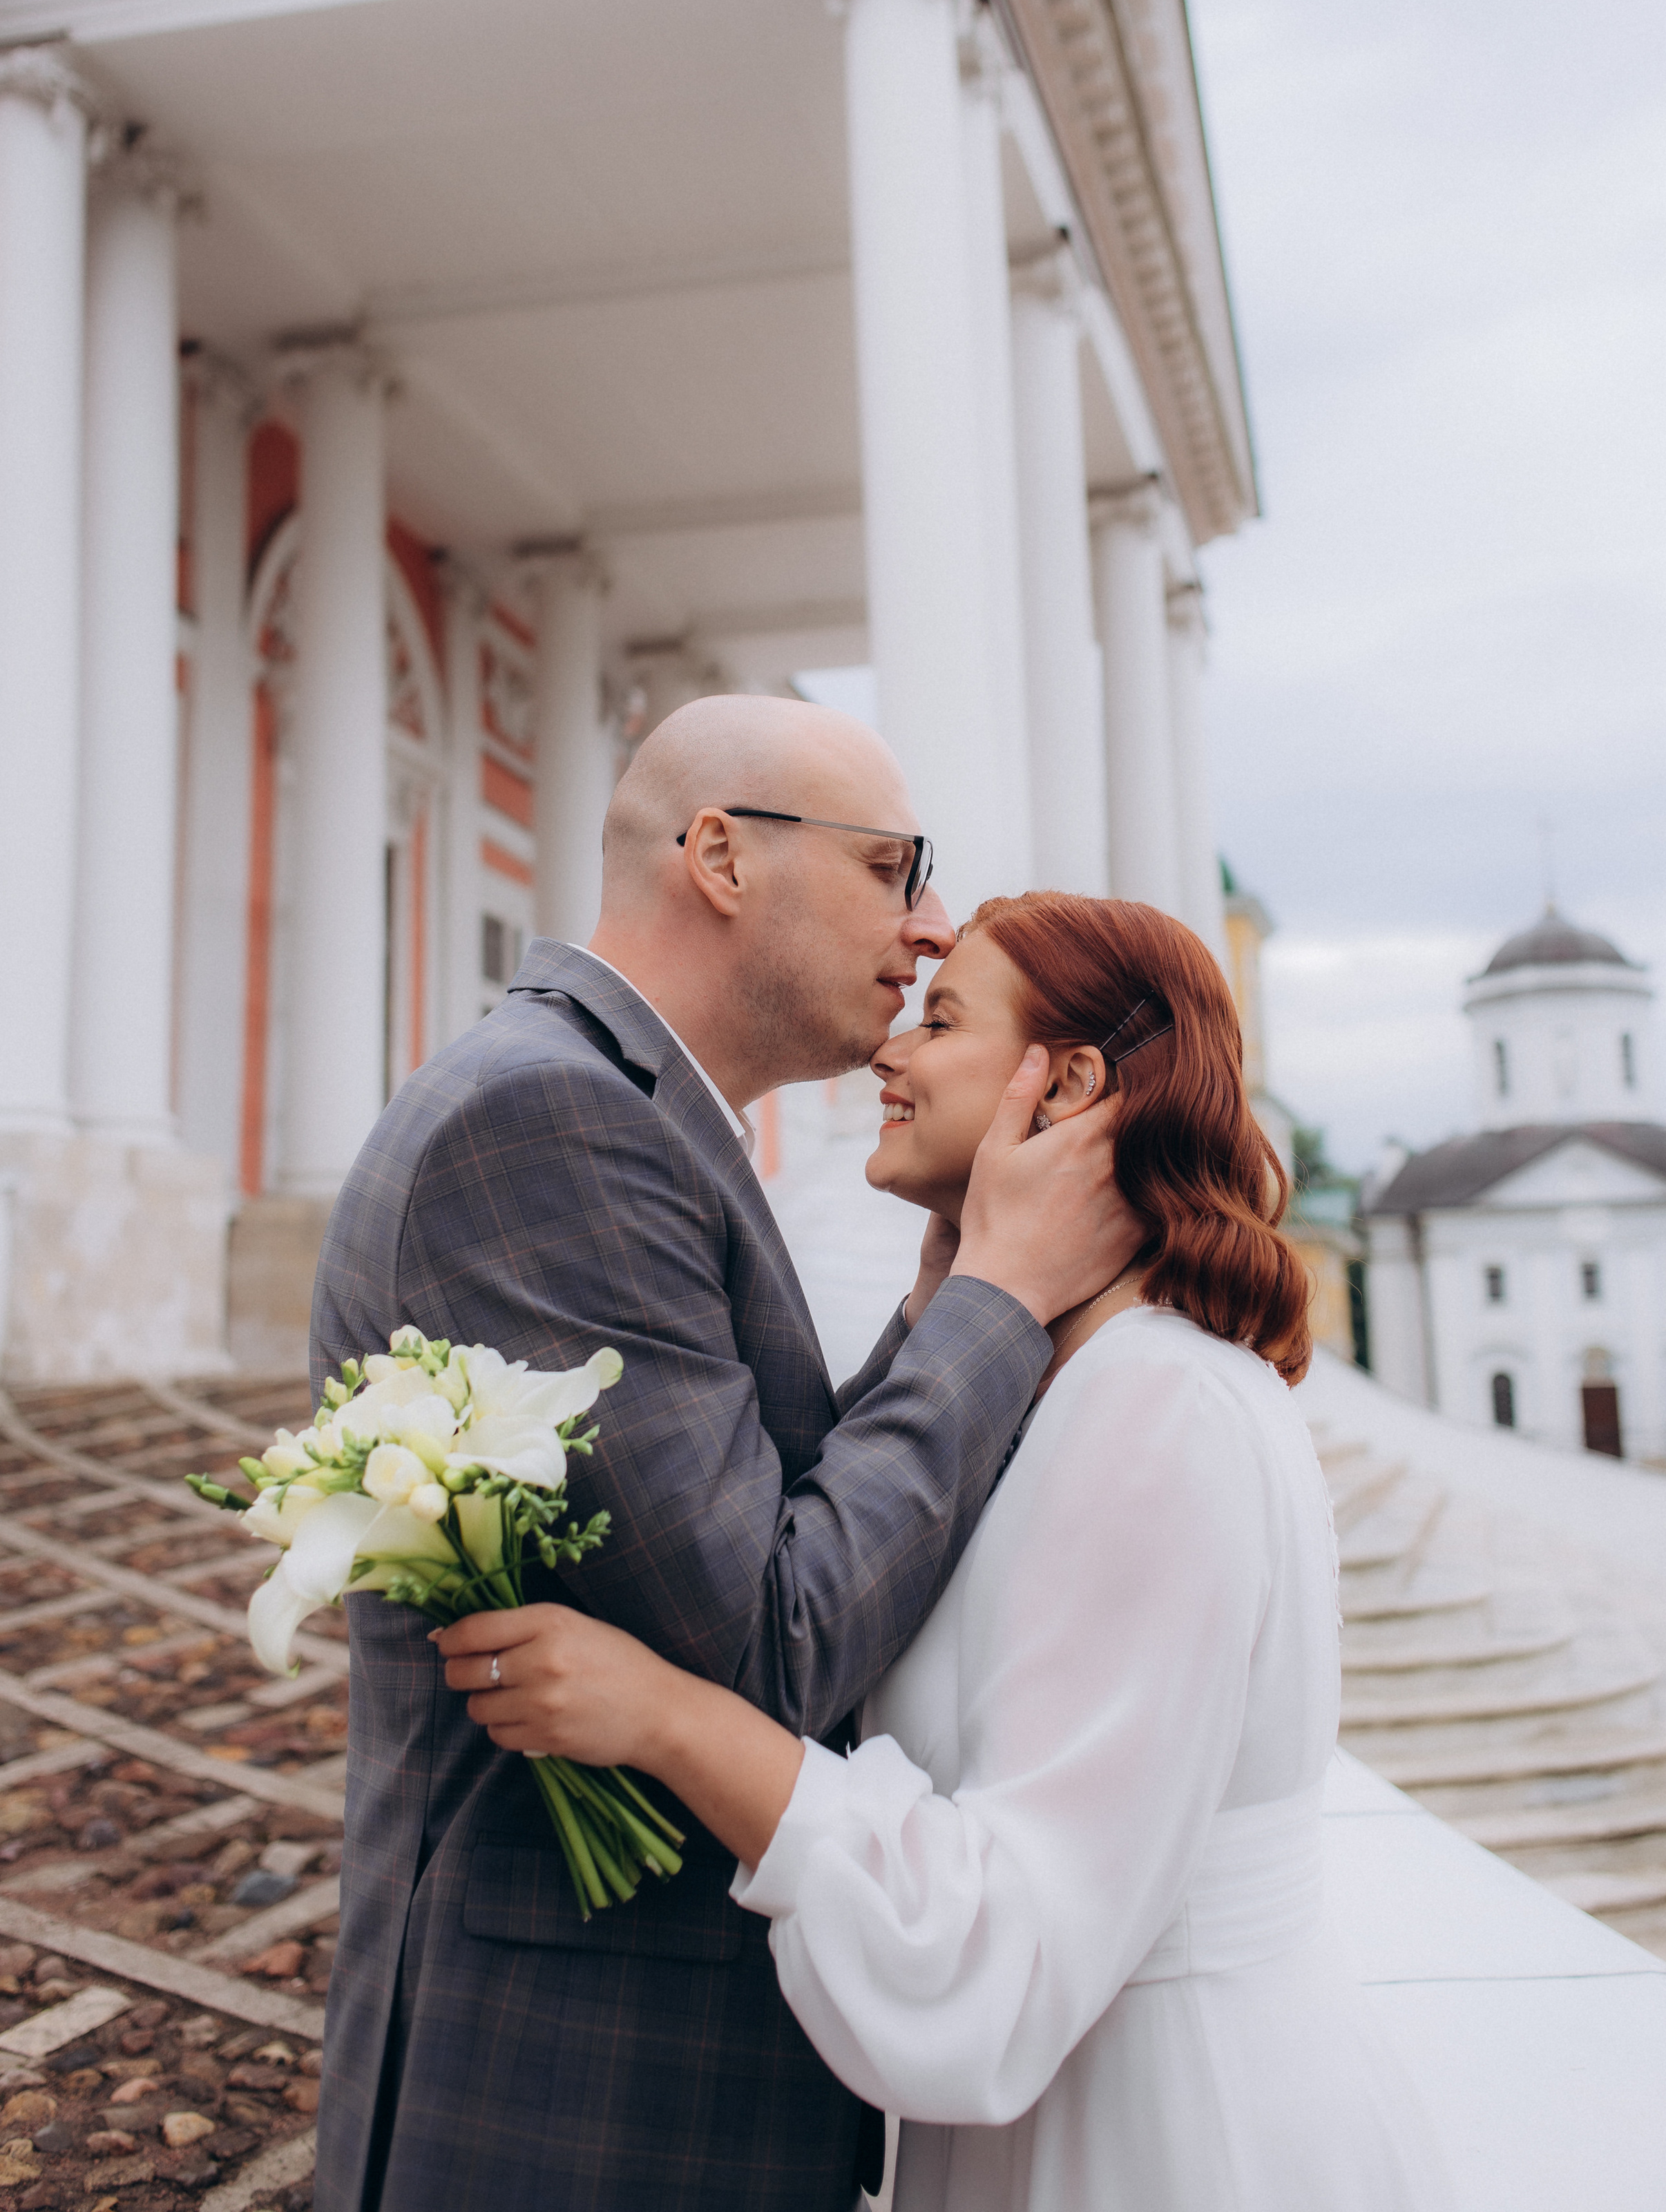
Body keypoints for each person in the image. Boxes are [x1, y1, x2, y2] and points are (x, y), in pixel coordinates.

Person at [437, 890, 1455, 2212]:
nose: (890, 1050)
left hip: (1162, 2136)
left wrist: (669, 1719)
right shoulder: (1059, 1377)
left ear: (1066, 1085)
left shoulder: (1157, 1409)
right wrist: (954, 1299)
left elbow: (1005, 1934)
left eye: (943, 1020)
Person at [309, 698, 1143, 2212]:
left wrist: (938, 1306)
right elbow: (770, 1643)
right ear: (719, 856)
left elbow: (741, 1519)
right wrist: (1002, 1299)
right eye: (892, 867)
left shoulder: (613, 1105)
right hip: (580, 2096)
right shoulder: (552, 1122)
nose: (929, 926)